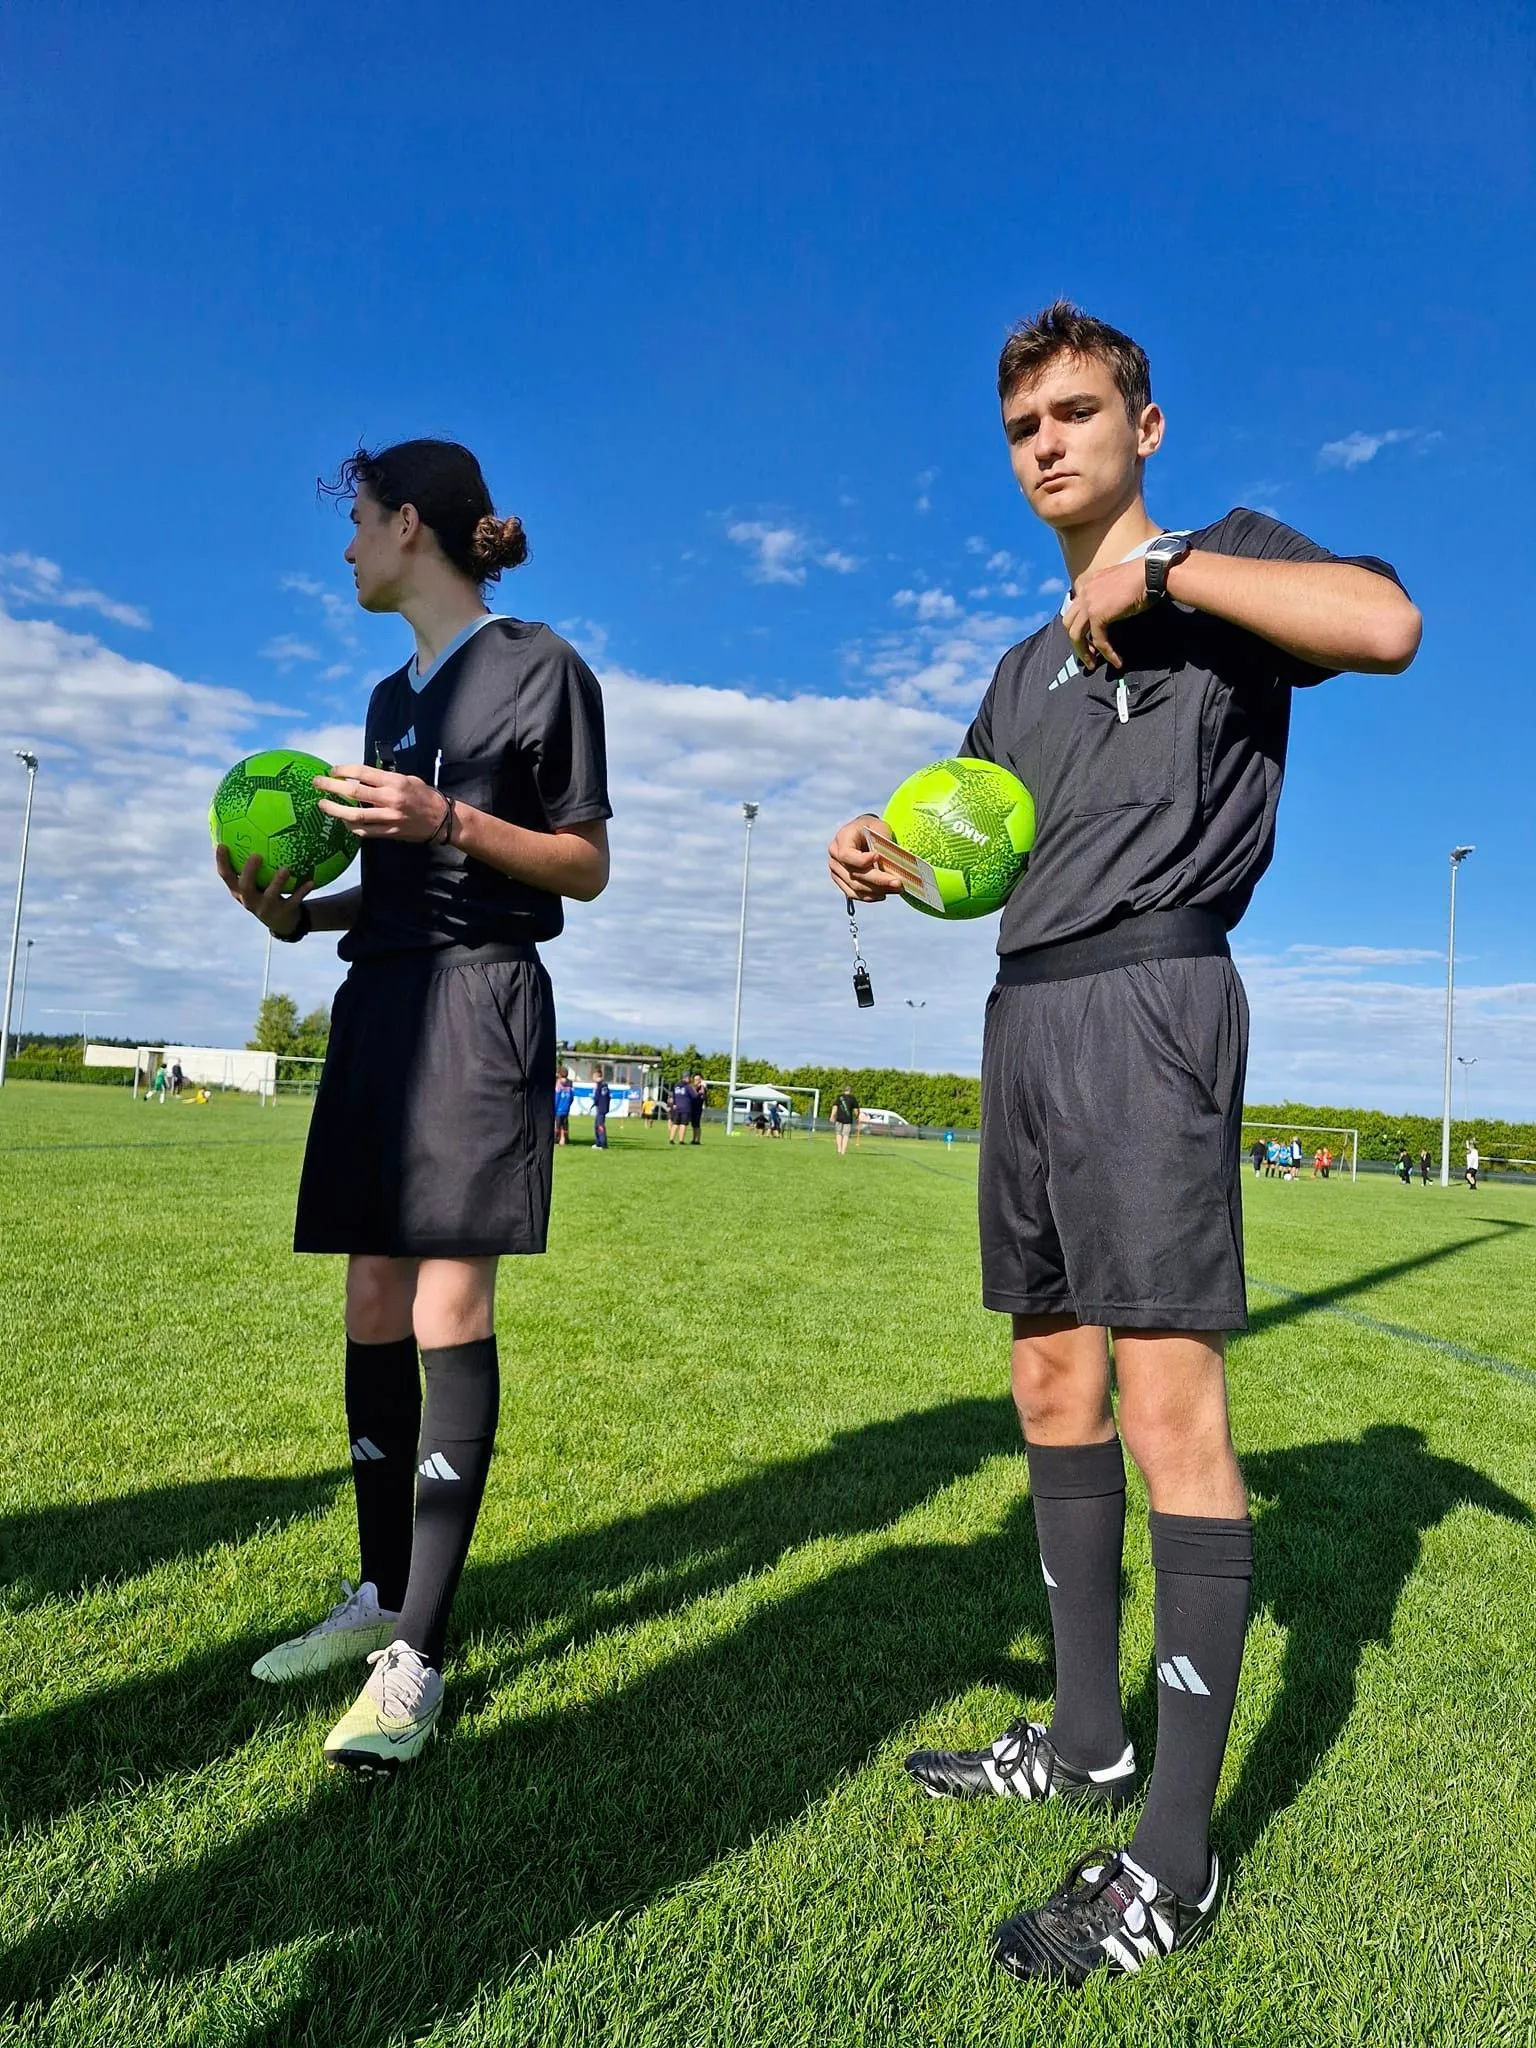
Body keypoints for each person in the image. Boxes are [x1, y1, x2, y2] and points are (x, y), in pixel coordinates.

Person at [827, 301, 1419, 1989]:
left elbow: (1386, 624)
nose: (1049, 444)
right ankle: (1083, 1733)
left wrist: (1158, 585)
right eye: (1025, 426)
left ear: (1144, 426)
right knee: (1049, 1384)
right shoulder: (1013, 674)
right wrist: (887, 858)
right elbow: (978, 855)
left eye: (1079, 413)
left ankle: (1170, 1854)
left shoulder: (1221, 567)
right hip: (1027, 1014)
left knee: (1169, 1401)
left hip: (1157, 999)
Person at [215, 437, 611, 1774]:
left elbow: (584, 864)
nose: (345, 552)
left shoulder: (544, 666)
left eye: (358, 525)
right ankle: (379, 1591)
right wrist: (294, 913)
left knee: (450, 1306)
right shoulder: (386, 696)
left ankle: (420, 1655)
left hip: (481, 1005)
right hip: (377, 999)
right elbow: (386, 881)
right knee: (372, 1301)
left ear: (409, 527)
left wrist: (447, 820)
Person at [831, 1085, 859, 1156]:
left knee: (838, 1133)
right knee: (846, 1135)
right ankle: (843, 1151)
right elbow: (856, 1110)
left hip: (839, 1118)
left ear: (843, 1090)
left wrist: (832, 1116)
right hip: (848, 1119)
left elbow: (835, 1107)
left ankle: (839, 1149)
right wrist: (857, 1116)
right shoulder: (853, 1098)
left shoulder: (839, 1097)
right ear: (850, 1090)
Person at [667, 1076, 693, 1146]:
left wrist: (675, 1104)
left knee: (675, 1124)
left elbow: (674, 1096)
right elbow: (694, 1096)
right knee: (683, 1124)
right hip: (686, 1107)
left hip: (677, 1108)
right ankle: (681, 1140)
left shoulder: (676, 1086)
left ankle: (671, 1139)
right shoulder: (688, 1086)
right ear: (687, 1078)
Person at [591, 1069, 611, 1150]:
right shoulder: (604, 1085)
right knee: (597, 1125)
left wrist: (595, 1101)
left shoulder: (600, 1085)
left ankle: (603, 1144)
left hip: (601, 1108)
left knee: (600, 1126)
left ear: (596, 1076)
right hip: (603, 1108)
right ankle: (598, 1143)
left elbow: (598, 1097)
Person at [554, 1070, 574, 1147]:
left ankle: (556, 1140)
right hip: (566, 1108)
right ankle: (565, 1140)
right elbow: (572, 1097)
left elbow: (557, 1097)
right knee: (565, 1125)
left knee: (558, 1125)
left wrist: (554, 1107)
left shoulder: (558, 1084)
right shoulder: (570, 1085)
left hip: (559, 1108)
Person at [690, 1072, 707, 1145]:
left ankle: (697, 1139)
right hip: (692, 1107)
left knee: (697, 1124)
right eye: (696, 1079)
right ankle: (694, 1139)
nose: (697, 1081)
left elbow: (703, 1096)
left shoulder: (702, 1087)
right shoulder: (693, 1087)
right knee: (693, 1124)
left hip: (698, 1107)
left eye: (698, 1079)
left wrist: (701, 1087)